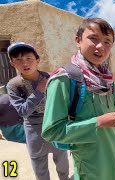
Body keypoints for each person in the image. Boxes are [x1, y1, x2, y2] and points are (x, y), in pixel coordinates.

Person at [42, 18, 115, 180]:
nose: (101, 46)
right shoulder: (64, 79)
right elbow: (52, 131)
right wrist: (98, 122)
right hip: (90, 162)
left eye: (107, 42)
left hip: (114, 153)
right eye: (93, 38)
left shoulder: (104, 77)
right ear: (78, 41)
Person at [6, 42, 69, 180]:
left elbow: (63, 102)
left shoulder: (51, 78)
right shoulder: (13, 85)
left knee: (62, 162)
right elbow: (23, 112)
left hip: (55, 125)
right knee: (40, 168)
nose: (25, 64)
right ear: (12, 63)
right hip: (34, 131)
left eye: (29, 58)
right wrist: (39, 91)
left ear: (37, 60)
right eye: (18, 60)